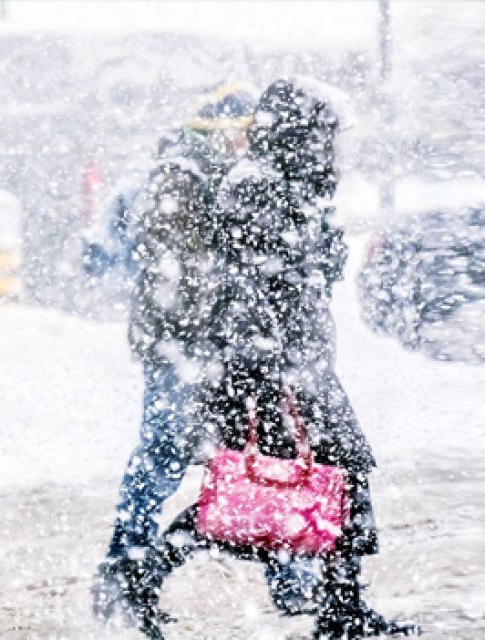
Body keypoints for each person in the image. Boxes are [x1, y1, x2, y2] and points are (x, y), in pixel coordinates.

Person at [131, 79, 421, 639]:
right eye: (327, 137)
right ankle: (144, 577)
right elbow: (252, 292)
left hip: (295, 365)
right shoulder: (259, 189)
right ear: (300, 135)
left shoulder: (288, 187)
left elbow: (301, 280)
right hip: (272, 371)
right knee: (257, 490)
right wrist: (269, 376)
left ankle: (343, 608)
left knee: (318, 480)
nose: (335, 151)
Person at [92, 83, 319, 631]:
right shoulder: (182, 178)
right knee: (164, 453)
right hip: (186, 348)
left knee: (264, 452)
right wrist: (218, 321)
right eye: (241, 131)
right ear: (216, 131)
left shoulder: (223, 178)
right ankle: (124, 571)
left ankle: (290, 578)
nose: (249, 141)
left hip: (217, 346)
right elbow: (178, 275)